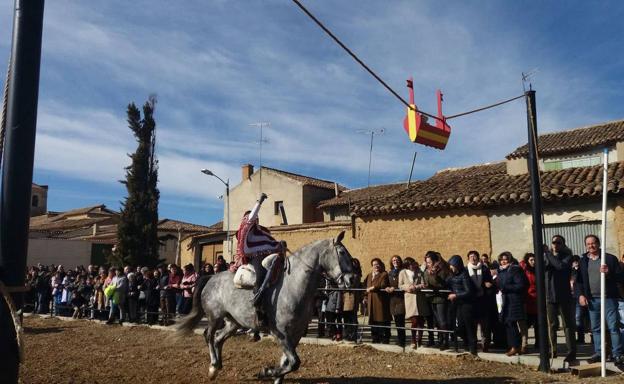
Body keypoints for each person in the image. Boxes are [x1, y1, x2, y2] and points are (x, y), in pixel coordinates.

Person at [233, 193, 285, 326]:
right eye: (253, 217)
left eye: (256, 218)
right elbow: (251, 216)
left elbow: (269, 242)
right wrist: (259, 201)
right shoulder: (245, 227)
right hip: (255, 257)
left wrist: (279, 245)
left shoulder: (262, 230)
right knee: (261, 277)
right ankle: (259, 308)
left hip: (266, 255)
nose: (255, 219)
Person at [576, 234, 624, 365]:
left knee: (613, 327)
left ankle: (617, 354)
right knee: (596, 328)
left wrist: (609, 273)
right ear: (586, 246)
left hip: (608, 298)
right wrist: (580, 295)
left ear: (598, 243)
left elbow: (621, 277)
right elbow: (579, 281)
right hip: (592, 300)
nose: (591, 246)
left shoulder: (609, 258)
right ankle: (599, 352)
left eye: (593, 243)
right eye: (588, 244)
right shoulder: (583, 261)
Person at [544, 234, 577, 362]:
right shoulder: (546, 257)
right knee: (552, 324)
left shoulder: (567, 257)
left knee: (567, 325)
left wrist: (548, 253)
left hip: (563, 295)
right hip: (549, 295)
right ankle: (553, 350)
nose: (555, 245)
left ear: (563, 245)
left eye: (558, 242)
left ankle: (571, 352)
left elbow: (559, 266)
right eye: (553, 242)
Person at [496, 251, 528, 356]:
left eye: (505, 259)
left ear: (509, 260)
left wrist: (505, 288)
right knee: (508, 323)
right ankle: (513, 346)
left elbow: (520, 285)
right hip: (505, 300)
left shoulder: (515, 270)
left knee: (512, 322)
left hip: (515, 300)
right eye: (501, 260)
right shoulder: (501, 271)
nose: (503, 261)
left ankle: (515, 346)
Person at [447, 255, 477, 355]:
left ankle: (473, 349)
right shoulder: (452, 275)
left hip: (467, 304)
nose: (450, 267)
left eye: (452, 265)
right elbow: (445, 283)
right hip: (458, 304)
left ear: (457, 265)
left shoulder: (464, 275)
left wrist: (455, 295)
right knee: (460, 327)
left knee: (469, 327)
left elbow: (469, 291)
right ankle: (466, 344)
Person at [399, 257, 433, 349]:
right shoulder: (402, 272)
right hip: (410, 299)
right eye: (410, 264)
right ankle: (413, 340)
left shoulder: (419, 271)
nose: (412, 265)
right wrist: (407, 287)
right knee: (414, 321)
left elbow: (423, 283)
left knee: (421, 321)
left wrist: (416, 287)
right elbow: (400, 285)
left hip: (420, 298)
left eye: (413, 263)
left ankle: (420, 340)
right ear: (407, 265)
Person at [466, 250, 494, 352]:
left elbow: (490, 281)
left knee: (484, 324)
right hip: (472, 301)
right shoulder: (466, 270)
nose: (473, 258)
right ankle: (473, 343)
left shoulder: (484, 269)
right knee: (472, 324)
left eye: (475, 256)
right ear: (468, 258)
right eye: (471, 256)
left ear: (478, 258)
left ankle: (485, 344)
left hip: (483, 300)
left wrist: (488, 284)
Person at [423, 251, 450, 350]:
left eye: (429, 262)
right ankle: (440, 339)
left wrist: (434, 275)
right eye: (427, 262)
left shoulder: (441, 270)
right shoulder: (427, 270)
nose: (428, 264)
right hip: (431, 298)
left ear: (434, 262)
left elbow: (441, 284)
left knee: (443, 321)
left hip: (440, 298)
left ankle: (445, 341)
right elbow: (426, 281)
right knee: (438, 321)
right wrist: (425, 284)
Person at [365, 258, 391, 344]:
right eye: (374, 264)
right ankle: (375, 338)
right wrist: (364, 297)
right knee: (373, 321)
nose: (376, 266)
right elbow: (365, 287)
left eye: (377, 264)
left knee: (382, 321)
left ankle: (384, 339)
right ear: (372, 266)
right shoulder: (369, 275)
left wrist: (373, 287)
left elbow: (383, 285)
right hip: (370, 302)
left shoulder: (384, 274)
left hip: (380, 302)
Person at [386, 255, 406, 347]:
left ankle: (402, 341)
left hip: (401, 299)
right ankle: (399, 339)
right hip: (392, 299)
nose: (395, 261)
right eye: (393, 260)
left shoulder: (403, 272)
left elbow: (404, 284)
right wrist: (387, 287)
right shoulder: (390, 273)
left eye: (397, 260)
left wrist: (395, 288)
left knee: (400, 321)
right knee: (396, 320)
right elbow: (387, 283)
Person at [519, 253, 538, 354]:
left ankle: (539, 343)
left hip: (537, 299)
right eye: (531, 260)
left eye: (534, 260)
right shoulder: (524, 270)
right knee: (525, 324)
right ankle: (524, 344)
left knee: (538, 324)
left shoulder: (538, 269)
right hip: (528, 299)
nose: (533, 262)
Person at [342, 258, 362, 342]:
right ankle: (347, 334)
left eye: (355, 263)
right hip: (345, 298)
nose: (353, 265)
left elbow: (351, 286)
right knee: (346, 318)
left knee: (352, 318)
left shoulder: (356, 275)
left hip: (352, 298)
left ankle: (353, 335)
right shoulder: (347, 274)